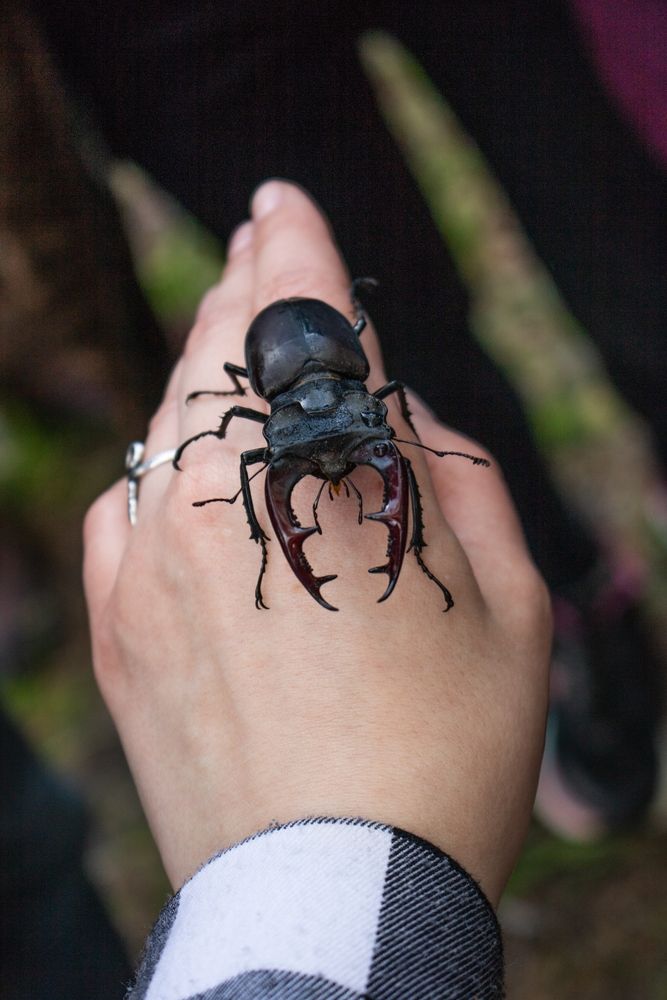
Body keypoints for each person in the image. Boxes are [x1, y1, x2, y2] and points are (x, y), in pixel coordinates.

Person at [83, 180, 552, 996]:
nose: (331, 459)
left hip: (318, 364)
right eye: (300, 447)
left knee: (384, 453)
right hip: (300, 364)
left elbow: (366, 420)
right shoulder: (264, 422)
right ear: (262, 407)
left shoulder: (356, 403)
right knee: (278, 473)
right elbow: (260, 440)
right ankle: (277, 544)